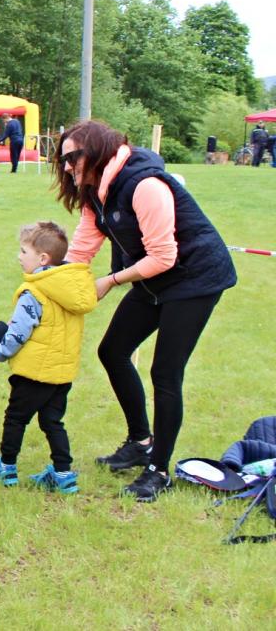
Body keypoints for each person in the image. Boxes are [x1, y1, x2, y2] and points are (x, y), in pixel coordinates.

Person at [58, 120, 237, 501]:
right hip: (153, 278)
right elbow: (80, 251)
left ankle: (159, 470)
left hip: (194, 279)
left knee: (165, 373)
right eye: (63, 160)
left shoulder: (144, 185)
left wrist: (110, 281)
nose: (68, 166)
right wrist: (49, 286)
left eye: (73, 157)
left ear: (97, 151)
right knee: (112, 351)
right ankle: (140, 442)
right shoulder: (95, 192)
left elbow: (164, 256)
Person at [0, 222, 98, 494]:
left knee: (16, 418)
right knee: (53, 421)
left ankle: (6, 467)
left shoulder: (34, 291)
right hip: (62, 373)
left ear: (43, 258)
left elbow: (18, 332)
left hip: (33, 373)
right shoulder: (71, 288)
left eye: (23, 251)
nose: (19, 257)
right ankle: (63, 474)